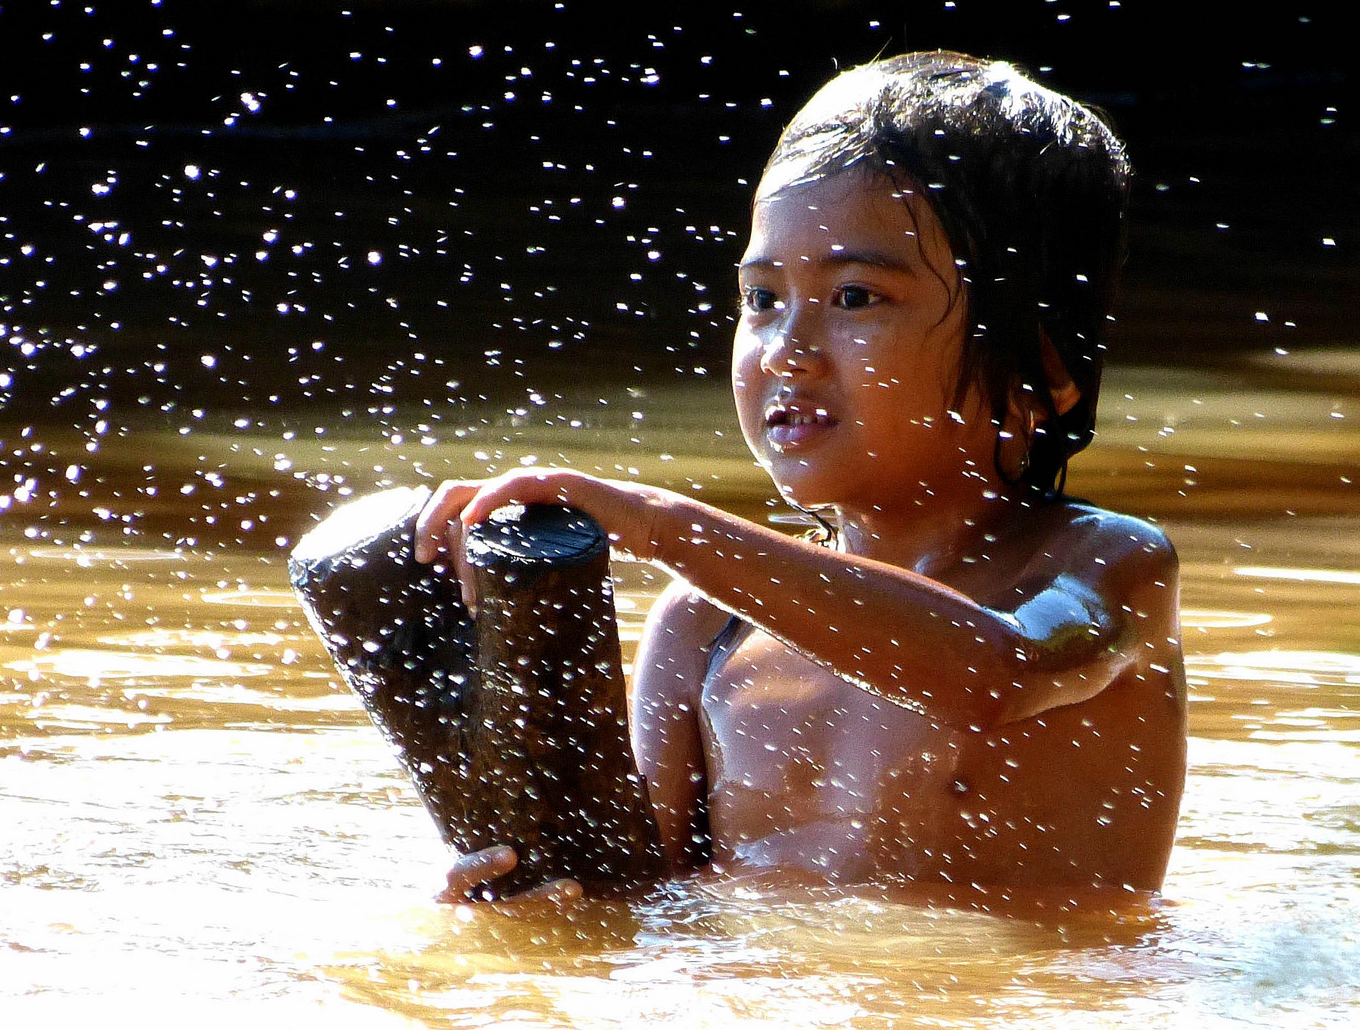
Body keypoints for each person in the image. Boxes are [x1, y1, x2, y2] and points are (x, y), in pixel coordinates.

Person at [413, 51, 1184, 906]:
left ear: (1035, 376)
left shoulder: (1105, 568)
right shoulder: (704, 622)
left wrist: (663, 526)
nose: (786, 349)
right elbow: (638, 900)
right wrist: (526, 896)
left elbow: (995, 674)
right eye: (761, 298)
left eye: (854, 298)